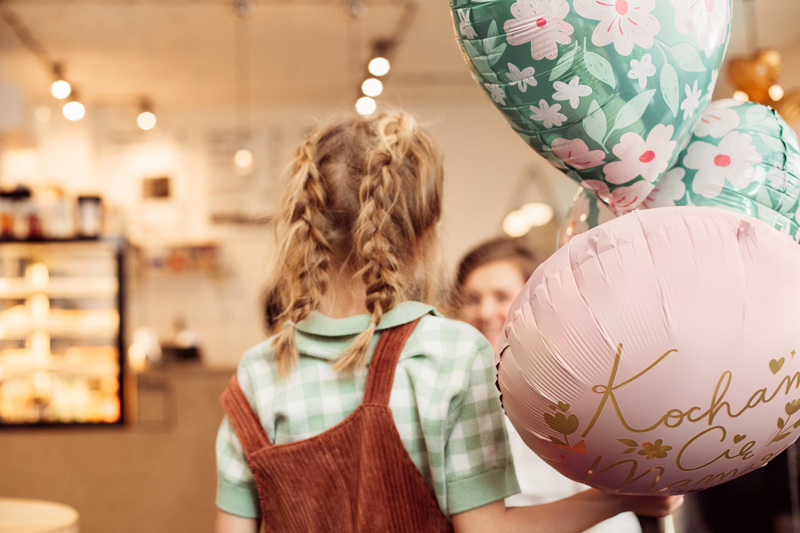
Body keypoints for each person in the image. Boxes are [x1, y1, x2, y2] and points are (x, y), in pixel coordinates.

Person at [214, 110, 682, 533]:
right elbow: (487, 530)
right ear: (423, 236)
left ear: (308, 229)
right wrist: (618, 498)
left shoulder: (257, 373)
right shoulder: (450, 353)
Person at [453, 237, 642, 533]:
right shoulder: (455, 389)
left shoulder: (585, 374)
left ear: (534, 301)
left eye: (501, 296)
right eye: (472, 299)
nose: (486, 312)